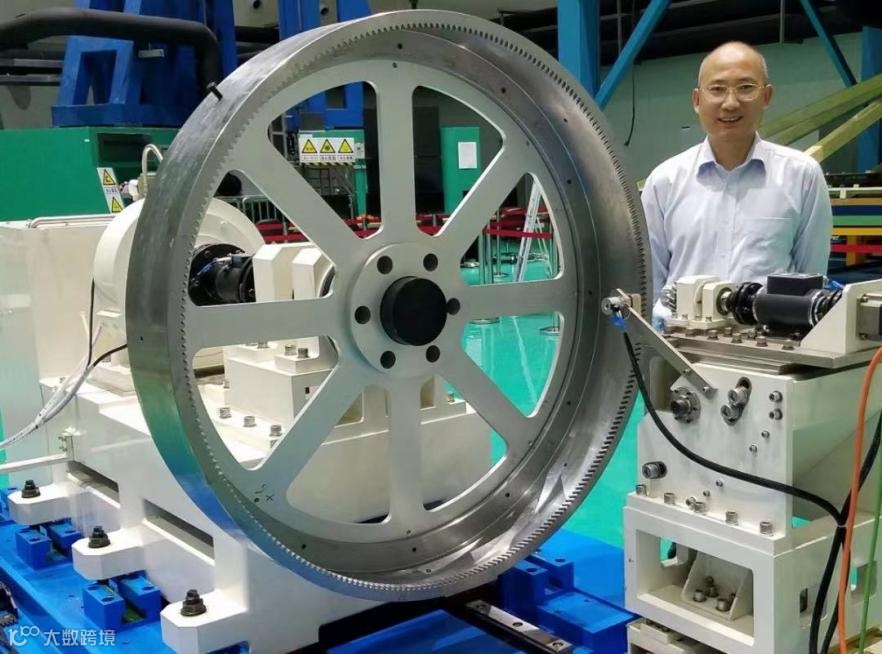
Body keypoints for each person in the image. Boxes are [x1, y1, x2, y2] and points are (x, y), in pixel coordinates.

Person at [642, 41, 833, 325]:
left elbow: (810, 281)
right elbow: (649, 283)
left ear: (766, 96)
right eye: (717, 89)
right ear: (697, 100)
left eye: (745, 88)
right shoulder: (664, 181)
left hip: (768, 343)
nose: (730, 103)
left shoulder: (801, 176)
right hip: (679, 341)